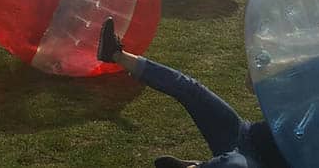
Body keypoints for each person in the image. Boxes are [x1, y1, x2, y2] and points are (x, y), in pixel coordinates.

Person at [97, 17, 291, 168]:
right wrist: (265, 66)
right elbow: (251, 84)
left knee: (233, 166)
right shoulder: (309, 80)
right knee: (190, 89)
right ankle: (114, 54)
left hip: (254, 163)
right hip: (244, 132)